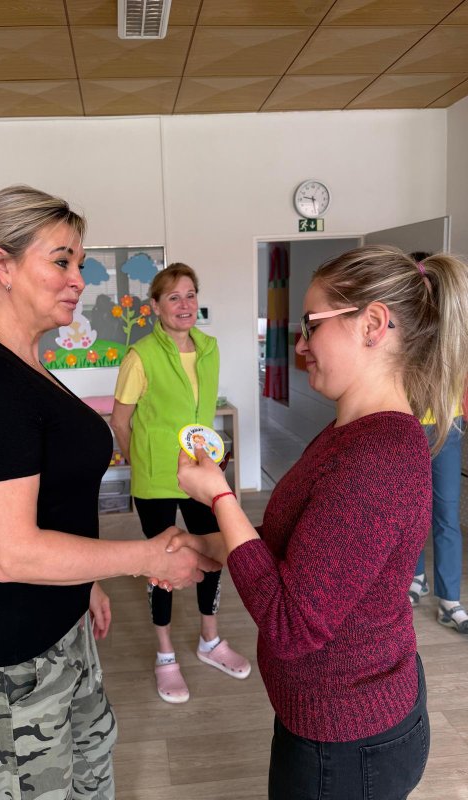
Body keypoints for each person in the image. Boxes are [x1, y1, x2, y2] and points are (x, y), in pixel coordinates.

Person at [0, 186, 219, 800]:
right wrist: (144, 557)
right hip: (9, 657)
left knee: (93, 768)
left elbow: (50, 501)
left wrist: (84, 581)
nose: (78, 279)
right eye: (61, 261)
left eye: (79, 263)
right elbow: (10, 553)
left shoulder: (24, 362)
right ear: (1, 265)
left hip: (60, 626)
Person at [172, 245, 468, 799]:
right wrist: (207, 544)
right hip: (332, 722)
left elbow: (292, 625)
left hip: (348, 744)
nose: (301, 345)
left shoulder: (378, 455)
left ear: (372, 325)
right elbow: (303, 551)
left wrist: (221, 498)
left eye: (312, 325)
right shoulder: (350, 434)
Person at [110, 263, 251, 704]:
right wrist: (140, 462)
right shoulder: (140, 356)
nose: (184, 304)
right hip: (155, 478)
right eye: (174, 297)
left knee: (213, 553)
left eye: (190, 295)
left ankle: (210, 639)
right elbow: (120, 420)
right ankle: (165, 653)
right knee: (163, 562)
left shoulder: (209, 349)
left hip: (200, 474)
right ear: (155, 306)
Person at [406, 253, 468, 633]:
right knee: (413, 511)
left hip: (449, 426)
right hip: (410, 427)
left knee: (446, 515)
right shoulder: (406, 327)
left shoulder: (457, 330)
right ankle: (416, 578)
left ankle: (450, 600)